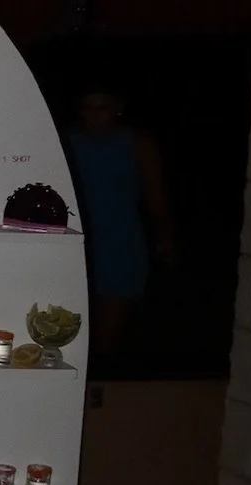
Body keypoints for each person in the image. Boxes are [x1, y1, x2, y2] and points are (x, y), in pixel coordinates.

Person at [66, 83, 176, 363]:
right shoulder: (67, 141)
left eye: (102, 107)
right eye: (87, 108)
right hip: (77, 241)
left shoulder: (137, 142)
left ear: (118, 108)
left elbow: (156, 195)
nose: (94, 115)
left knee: (107, 339)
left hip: (121, 242)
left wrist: (164, 237)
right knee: (70, 332)